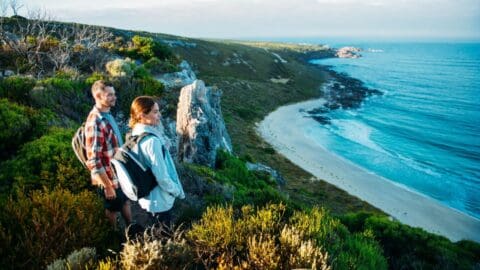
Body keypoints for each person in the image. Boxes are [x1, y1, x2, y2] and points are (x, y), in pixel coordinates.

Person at [128, 96, 185, 224]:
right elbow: (162, 177)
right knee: (163, 238)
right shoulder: (152, 141)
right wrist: (176, 191)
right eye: (155, 112)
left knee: (153, 235)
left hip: (147, 198)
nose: (159, 115)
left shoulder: (134, 135)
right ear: (142, 115)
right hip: (159, 202)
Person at [85, 80, 132, 228]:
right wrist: (107, 186)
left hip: (117, 172)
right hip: (108, 177)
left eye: (114, 94)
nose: (114, 97)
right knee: (111, 209)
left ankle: (131, 229)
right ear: (98, 96)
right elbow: (93, 160)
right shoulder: (95, 122)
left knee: (124, 201)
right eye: (109, 95)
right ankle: (113, 236)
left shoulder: (108, 115)